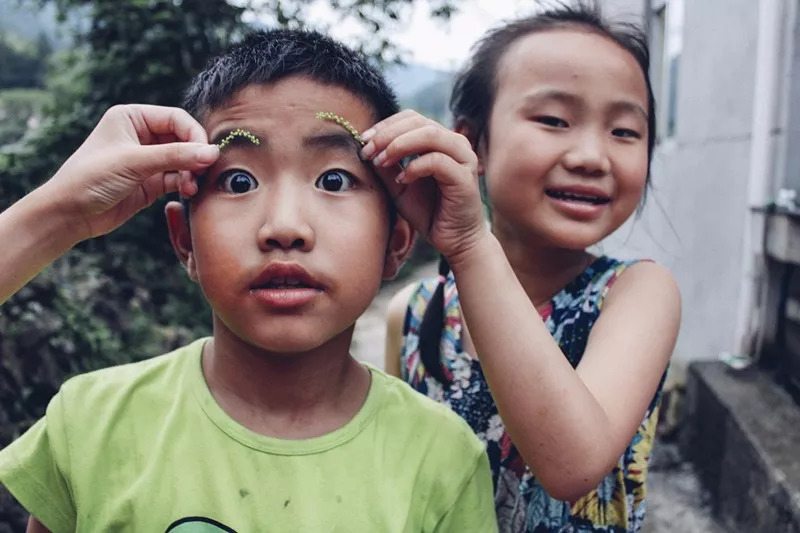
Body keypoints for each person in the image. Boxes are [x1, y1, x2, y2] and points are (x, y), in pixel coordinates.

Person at [0, 29, 497, 532]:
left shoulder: (444, 462)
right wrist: (59, 211)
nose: (284, 226)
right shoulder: (90, 426)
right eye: (239, 181)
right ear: (184, 241)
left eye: (333, 179)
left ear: (396, 243)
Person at [374, 3, 681, 532]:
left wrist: (470, 244)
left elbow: (572, 465)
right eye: (554, 120)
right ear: (472, 143)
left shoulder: (636, 294)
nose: (592, 156)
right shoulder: (415, 314)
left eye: (625, 132)